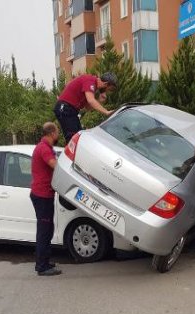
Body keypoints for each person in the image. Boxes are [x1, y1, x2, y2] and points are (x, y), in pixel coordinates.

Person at [31, 122, 62, 276]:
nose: (58, 135)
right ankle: (42, 266)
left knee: (48, 229)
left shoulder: (46, 147)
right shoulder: (43, 148)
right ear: (51, 133)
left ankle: (45, 261)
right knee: (44, 231)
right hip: (42, 195)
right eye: (57, 132)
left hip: (45, 194)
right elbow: (55, 165)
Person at [54, 72, 117, 141]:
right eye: (110, 89)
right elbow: (91, 100)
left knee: (79, 137)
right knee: (73, 138)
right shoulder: (90, 80)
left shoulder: (92, 87)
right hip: (65, 108)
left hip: (70, 110)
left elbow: (88, 107)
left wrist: (99, 101)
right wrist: (106, 112)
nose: (107, 92)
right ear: (105, 84)